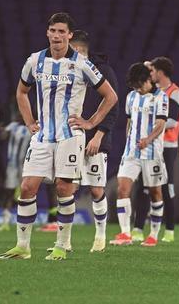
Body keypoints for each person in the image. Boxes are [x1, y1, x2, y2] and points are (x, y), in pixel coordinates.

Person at [0, 12, 118, 261]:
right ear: (47, 33)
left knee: (64, 188)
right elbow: (21, 92)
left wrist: (91, 122)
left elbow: (111, 96)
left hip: (70, 136)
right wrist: (29, 122)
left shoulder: (82, 63)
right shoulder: (35, 60)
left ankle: (61, 246)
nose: (57, 36)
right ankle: (23, 247)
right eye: (53, 31)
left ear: (70, 35)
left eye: (62, 31)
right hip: (43, 136)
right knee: (28, 186)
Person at [70, 30, 119, 252]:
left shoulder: (102, 71)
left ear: (81, 50)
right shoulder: (65, 70)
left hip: (95, 140)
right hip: (70, 138)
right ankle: (65, 240)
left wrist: (99, 135)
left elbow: (112, 106)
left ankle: (100, 236)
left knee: (96, 189)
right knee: (66, 188)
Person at [109, 63, 168, 247]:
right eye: (134, 86)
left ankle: (154, 235)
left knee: (155, 192)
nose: (136, 89)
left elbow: (160, 124)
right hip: (132, 152)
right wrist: (129, 141)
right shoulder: (131, 97)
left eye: (138, 85)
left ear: (148, 80)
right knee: (122, 189)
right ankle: (125, 233)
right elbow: (129, 122)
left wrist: (147, 140)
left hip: (152, 153)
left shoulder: (161, 98)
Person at [134, 57, 179, 243]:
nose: (150, 74)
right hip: (151, 144)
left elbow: (173, 121)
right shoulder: (149, 91)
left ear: (160, 72)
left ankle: (169, 230)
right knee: (144, 186)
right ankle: (138, 228)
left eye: (152, 71)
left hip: (167, 146)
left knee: (165, 187)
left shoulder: (174, 92)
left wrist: (153, 123)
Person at [0, 112, 31, 232]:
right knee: (9, 193)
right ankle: (5, 222)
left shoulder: (32, 127)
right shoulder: (13, 126)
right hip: (12, 166)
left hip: (27, 166)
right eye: (19, 113)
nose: (20, 116)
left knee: (27, 194)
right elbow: (2, 136)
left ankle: (27, 223)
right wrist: (0, 130)